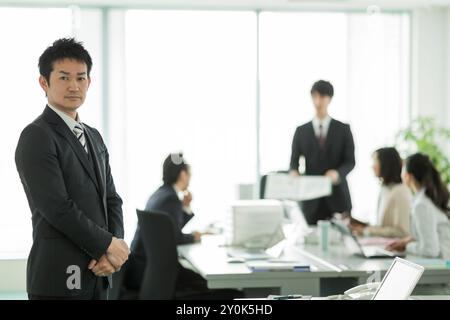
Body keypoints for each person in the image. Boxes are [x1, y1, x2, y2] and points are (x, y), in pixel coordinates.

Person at [15, 38, 129, 300]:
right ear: (44, 82)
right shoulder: (36, 136)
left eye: (81, 77)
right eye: (64, 78)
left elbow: (111, 198)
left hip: (98, 272)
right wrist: (108, 245)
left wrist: (112, 253)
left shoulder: (94, 136)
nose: (74, 86)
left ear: (89, 82)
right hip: (60, 274)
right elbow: (58, 208)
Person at [125, 153, 208, 294]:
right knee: (206, 282)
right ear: (182, 174)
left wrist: (185, 207)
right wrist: (195, 236)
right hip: (153, 272)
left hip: (142, 268)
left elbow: (168, 230)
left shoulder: (160, 194)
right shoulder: (171, 199)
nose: (190, 178)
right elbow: (175, 238)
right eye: (189, 174)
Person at [290, 80, 355, 225]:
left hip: (338, 197)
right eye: (315, 96)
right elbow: (293, 162)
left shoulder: (343, 129)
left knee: (341, 241)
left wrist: (337, 173)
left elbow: (350, 161)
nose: (318, 101)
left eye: (322, 97)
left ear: (329, 99)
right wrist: (294, 172)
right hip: (310, 199)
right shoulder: (301, 131)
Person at [387, 153, 450, 258]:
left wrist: (406, 246)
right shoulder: (428, 198)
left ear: (408, 176)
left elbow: (430, 250)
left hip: (443, 267)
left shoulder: (421, 205)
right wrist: (410, 239)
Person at [350, 148, 411, 238]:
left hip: (395, 250)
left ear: (386, 164)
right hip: (383, 246)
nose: (372, 166)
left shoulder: (400, 192)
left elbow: (402, 232)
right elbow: (384, 226)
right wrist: (364, 227)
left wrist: (366, 231)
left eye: (375, 161)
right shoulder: (385, 189)